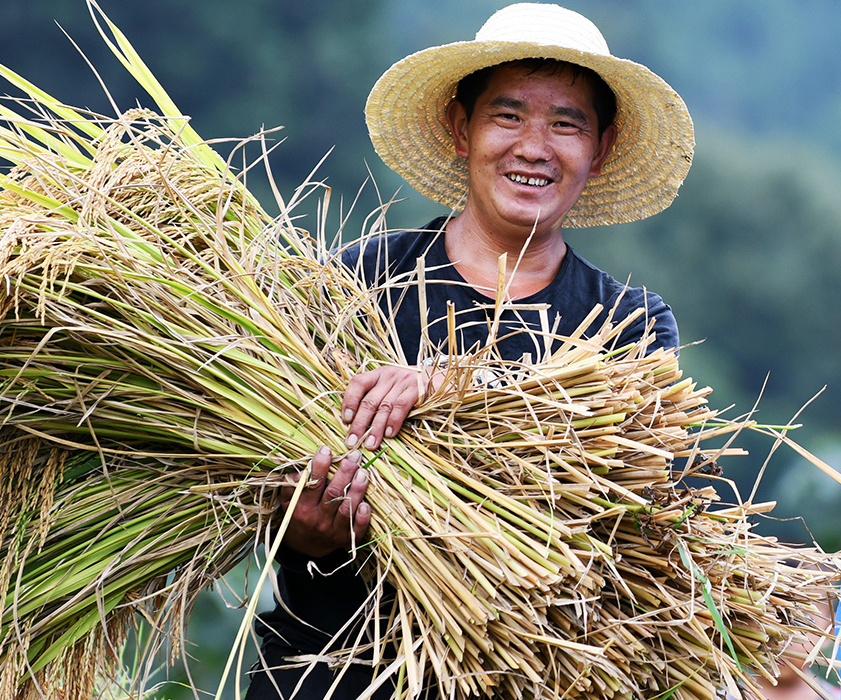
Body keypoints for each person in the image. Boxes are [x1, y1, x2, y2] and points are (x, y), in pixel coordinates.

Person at [244, 4, 695, 699]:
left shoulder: (627, 326)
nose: (533, 147)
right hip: (327, 668)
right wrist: (305, 529)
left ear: (600, 150)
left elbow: (632, 506)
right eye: (507, 116)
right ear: (462, 128)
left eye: (566, 123)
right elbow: (265, 479)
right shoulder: (349, 285)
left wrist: (447, 384)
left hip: (535, 678)